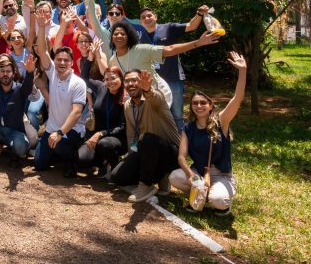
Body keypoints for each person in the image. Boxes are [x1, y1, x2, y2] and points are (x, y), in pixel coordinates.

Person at [85, 0, 220, 110]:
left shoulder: (141, 48)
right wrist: (97, 54)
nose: (119, 36)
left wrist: (198, 42)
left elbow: (170, 49)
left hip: (158, 95)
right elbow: (106, 69)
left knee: (169, 121)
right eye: (115, 35)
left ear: (130, 36)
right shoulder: (114, 56)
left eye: (123, 34)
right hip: (136, 99)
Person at [169, 52, 246, 215]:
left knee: (218, 201)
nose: (199, 106)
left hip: (221, 175)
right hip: (198, 172)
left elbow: (237, 98)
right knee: (175, 177)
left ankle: (216, 198)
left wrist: (243, 71)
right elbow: (181, 157)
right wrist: (191, 175)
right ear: (191, 107)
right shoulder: (188, 128)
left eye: (203, 103)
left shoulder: (221, 121)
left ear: (210, 105)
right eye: (195, 103)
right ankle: (200, 195)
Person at [110, 69, 180, 203]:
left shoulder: (155, 97)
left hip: (170, 153)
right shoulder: (127, 105)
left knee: (147, 139)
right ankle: (153, 178)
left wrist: (148, 90)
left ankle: (147, 184)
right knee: (117, 177)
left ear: (142, 82)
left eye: (135, 80)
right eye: (127, 81)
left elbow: (154, 97)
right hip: (146, 152)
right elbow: (131, 136)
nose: (131, 84)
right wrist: (132, 161)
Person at [136, 5, 209, 129]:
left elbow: (192, 26)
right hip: (154, 82)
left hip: (173, 78)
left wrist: (199, 14)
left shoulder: (168, 28)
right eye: (143, 17)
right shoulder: (141, 38)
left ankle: (180, 145)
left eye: (149, 15)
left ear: (155, 16)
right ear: (140, 22)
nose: (147, 18)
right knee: (158, 115)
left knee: (177, 115)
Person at [33, 47, 87, 178]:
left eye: (66, 60)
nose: (62, 63)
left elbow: (77, 112)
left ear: (72, 63)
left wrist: (60, 132)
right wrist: (40, 27)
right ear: (54, 61)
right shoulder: (53, 74)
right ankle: (58, 154)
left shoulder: (78, 83)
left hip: (71, 130)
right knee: (39, 164)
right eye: (59, 60)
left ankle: (71, 161)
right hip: (51, 128)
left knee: (59, 144)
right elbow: (42, 50)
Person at [77, 65, 126, 178]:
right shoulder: (101, 87)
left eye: (113, 78)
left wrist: (101, 134)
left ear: (121, 78)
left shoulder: (126, 97)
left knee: (105, 144)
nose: (110, 82)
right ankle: (101, 162)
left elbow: (122, 126)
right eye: (107, 79)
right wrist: (89, 59)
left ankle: (114, 167)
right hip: (96, 137)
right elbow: (84, 77)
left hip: (117, 138)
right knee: (82, 160)